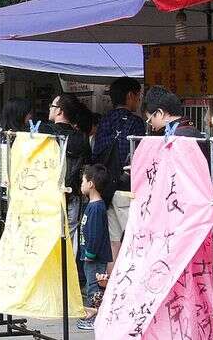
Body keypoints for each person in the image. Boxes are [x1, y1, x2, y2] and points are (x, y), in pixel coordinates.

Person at [91, 77, 144, 263]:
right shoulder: (136, 123)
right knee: (132, 239)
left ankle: (111, 284)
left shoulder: (104, 120)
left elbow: (96, 153)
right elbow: (138, 157)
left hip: (104, 188)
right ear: (130, 96)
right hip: (125, 188)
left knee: (113, 242)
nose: (139, 101)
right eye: (138, 96)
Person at [51, 94, 92, 245]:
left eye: (52, 106)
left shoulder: (45, 133)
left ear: (59, 111)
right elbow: (87, 164)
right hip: (73, 193)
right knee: (70, 235)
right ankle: (68, 267)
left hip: (47, 195)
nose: (50, 108)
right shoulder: (81, 138)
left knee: (48, 234)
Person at [77, 163, 112, 331]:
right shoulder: (93, 205)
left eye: (83, 181)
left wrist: (89, 254)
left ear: (91, 184)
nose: (81, 184)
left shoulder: (97, 208)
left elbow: (95, 235)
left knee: (95, 288)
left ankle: (96, 317)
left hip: (95, 258)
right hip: (90, 257)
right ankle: (94, 314)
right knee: (93, 286)